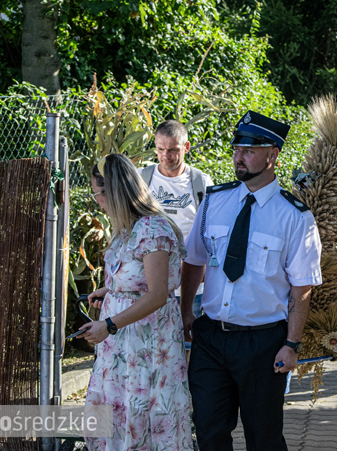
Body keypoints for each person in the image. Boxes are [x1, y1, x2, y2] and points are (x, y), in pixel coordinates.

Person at [181, 110, 323, 451]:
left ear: (272, 155)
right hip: (212, 337)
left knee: (263, 437)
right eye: (236, 149)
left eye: (248, 150)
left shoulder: (295, 216)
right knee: (209, 430)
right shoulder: (215, 201)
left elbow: (302, 288)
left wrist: (291, 345)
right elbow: (194, 260)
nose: (238, 157)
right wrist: (186, 311)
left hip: (263, 343)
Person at [80, 153, 194, 450]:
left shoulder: (152, 229)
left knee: (144, 415)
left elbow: (157, 294)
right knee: (120, 414)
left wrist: (108, 324)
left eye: (97, 194)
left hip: (147, 346)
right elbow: (135, 278)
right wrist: (109, 292)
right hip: (122, 345)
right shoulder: (124, 230)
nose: (96, 202)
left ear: (112, 192)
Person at [142, 120, 213, 311]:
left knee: (189, 340)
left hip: (191, 289)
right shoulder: (141, 179)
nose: (166, 156)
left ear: (186, 147)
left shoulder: (202, 183)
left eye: (173, 150)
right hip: (146, 287)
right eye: (160, 149)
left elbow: (210, 234)